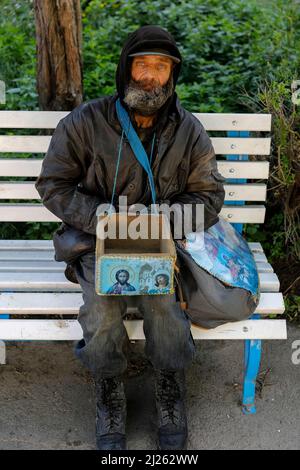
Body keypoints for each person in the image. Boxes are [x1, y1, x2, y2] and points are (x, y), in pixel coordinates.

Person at [35, 25, 225, 451]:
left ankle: (171, 384)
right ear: (126, 70)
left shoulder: (188, 131)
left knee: (163, 306)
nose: (150, 76)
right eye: (142, 65)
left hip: (160, 244)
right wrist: (102, 216)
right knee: (102, 307)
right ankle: (108, 387)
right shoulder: (84, 122)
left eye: (160, 67)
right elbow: (52, 185)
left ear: (172, 76)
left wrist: (163, 220)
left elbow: (209, 196)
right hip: (96, 243)